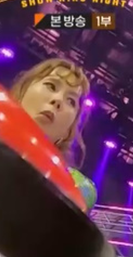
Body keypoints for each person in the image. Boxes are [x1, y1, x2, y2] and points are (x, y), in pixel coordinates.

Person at [10, 58, 97, 210]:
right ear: (22, 91)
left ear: (68, 131)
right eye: (51, 86)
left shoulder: (75, 188)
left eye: (71, 101)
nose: (58, 100)